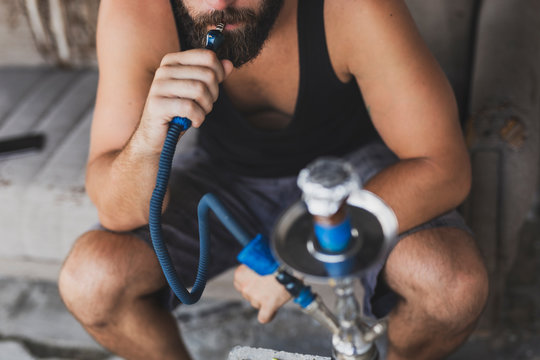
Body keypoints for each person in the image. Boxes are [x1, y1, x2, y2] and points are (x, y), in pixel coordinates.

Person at [58, 0, 489, 359]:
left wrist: (296, 251)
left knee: (451, 285)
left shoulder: (353, 7)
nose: (222, 5)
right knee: (91, 281)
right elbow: (116, 210)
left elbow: (444, 167)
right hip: (225, 176)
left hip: (353, 174)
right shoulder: (137, 11)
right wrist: (149, 137)